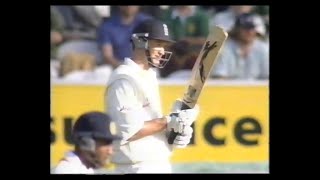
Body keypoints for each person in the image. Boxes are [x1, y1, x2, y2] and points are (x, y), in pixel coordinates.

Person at [105, 19, 200, 174]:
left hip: (157, 163)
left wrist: (173, 133)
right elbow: (129, 131)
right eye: (158, 44)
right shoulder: (124, 79)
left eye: (165, 46)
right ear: (140, 42)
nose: (162, 50)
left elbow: (151, 126)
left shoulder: (149, 75)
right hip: (134, 167)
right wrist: (169, 121)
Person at [51, 111, 121, 174]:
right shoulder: (68, 171)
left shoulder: (83, 168)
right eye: (106, 143)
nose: (110, 151)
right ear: (86, 143)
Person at [211, 13, 269, 80]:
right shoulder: (226, 48)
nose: (249, 32)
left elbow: (266, 77)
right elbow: (219, 77)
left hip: (257, 89)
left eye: (252, 28)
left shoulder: (264, 49)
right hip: (230, 88)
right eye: (245, 28)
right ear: (237, 30)